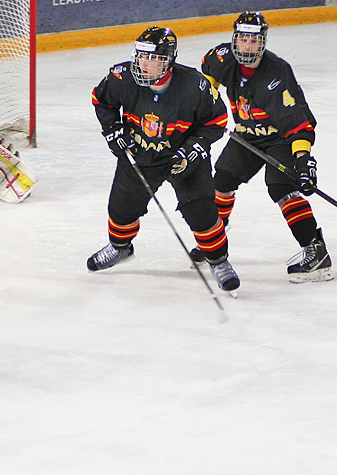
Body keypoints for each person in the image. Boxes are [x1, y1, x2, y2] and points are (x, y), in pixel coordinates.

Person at [88, 26, 234, 289]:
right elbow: (101, 100)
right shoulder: (122, 77)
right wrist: (113, 131)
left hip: (184, 159)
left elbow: (217, 120)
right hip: (140, 154)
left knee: (201, 212)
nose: (145, 64)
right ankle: (120, 247)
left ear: (169, 60)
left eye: (154, 58)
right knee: (121, 209)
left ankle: (218, 261)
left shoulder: (195, 85)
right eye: (142, 56)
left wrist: (193, 149)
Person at [199, 11, 331, 283]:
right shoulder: (223, 58)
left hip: (281, 138)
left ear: (263, 43)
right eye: (243, 40)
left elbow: (298, 124)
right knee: (222, 179)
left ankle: (315, 251)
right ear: (235, 40)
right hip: (247, 135)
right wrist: (209, 96)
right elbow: (207, 70)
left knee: (282, 187)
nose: (247, 47)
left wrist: (303, 160)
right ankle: (214, 237)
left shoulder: (276, 74)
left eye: (254, 41)